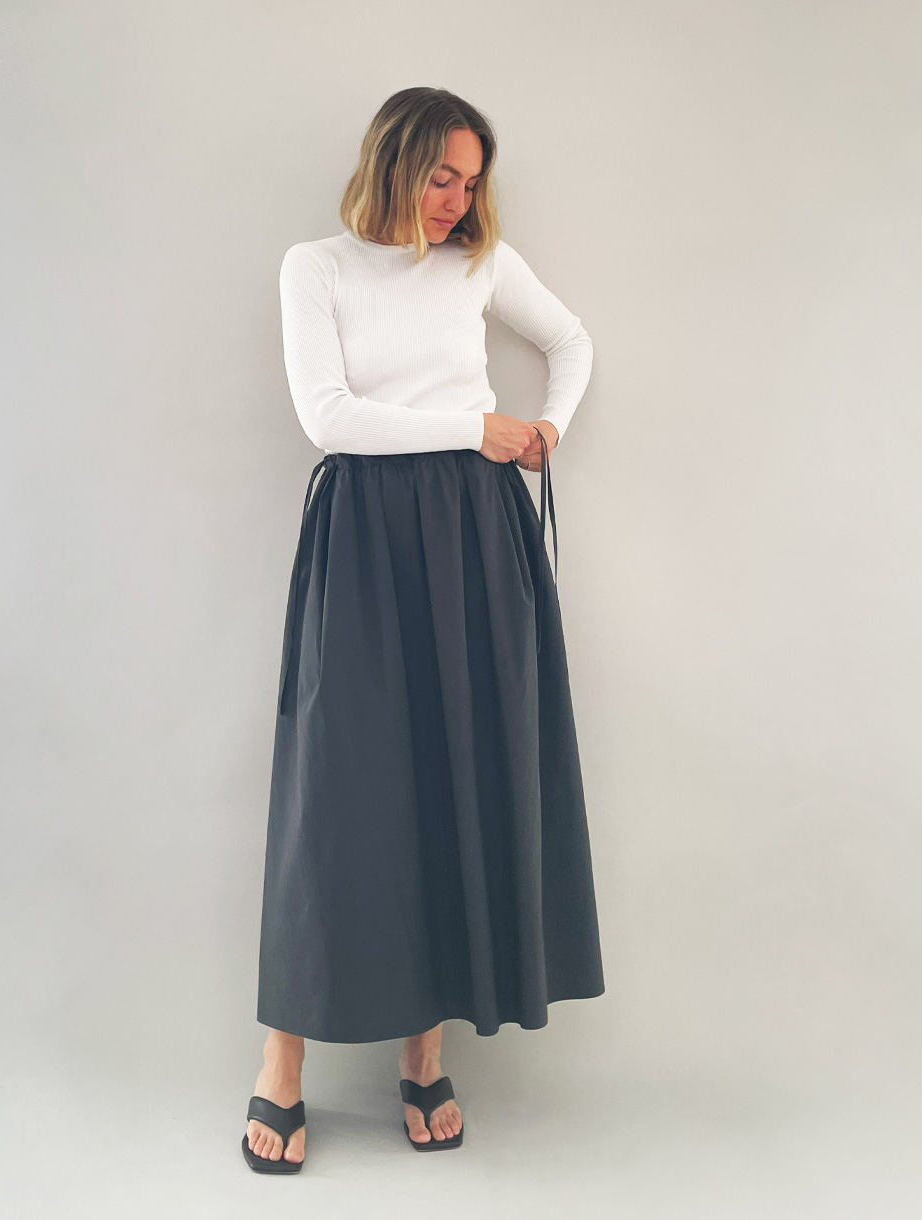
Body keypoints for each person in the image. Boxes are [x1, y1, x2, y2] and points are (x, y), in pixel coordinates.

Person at [242, 86, 605, 1173]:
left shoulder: (478, 262)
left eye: (471, 179)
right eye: (442, 174)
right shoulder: (315, 267)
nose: (457, 198)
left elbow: (570, 340)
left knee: (459, 771)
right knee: (337, 790)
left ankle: (423, 1053)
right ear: (392, 162)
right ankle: (281, 1064)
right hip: (363, 534)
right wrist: (475, 425)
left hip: (475, 534)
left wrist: (546, 428)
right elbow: (328, 416)